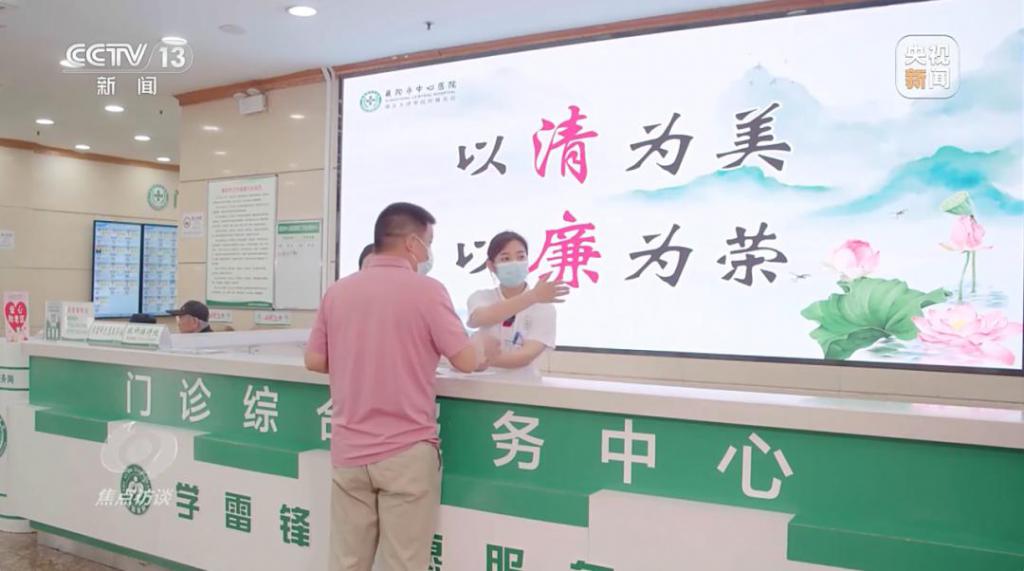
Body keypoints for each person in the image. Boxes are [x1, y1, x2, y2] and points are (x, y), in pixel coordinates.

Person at [305, 202, 499, 571]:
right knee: (404, 564)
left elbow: (314, 360)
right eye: (429, 243)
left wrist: (358, 357)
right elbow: (465, 360)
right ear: (412, 243)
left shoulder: (338, 291)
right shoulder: (427, 291)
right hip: (406, 450)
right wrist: (483, 346)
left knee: (346, 562)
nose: (428, 253)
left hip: (348, 451)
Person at [467, 231, 569, 376]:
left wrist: (480, 359)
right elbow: (480, 318)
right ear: (491, 265)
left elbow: (526, 356)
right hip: (480, 383)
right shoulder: (481, 297)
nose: (514, 263)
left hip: (523, 386)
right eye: (506, 258)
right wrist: (533, 296)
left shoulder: (544, 307)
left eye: (521, 257)